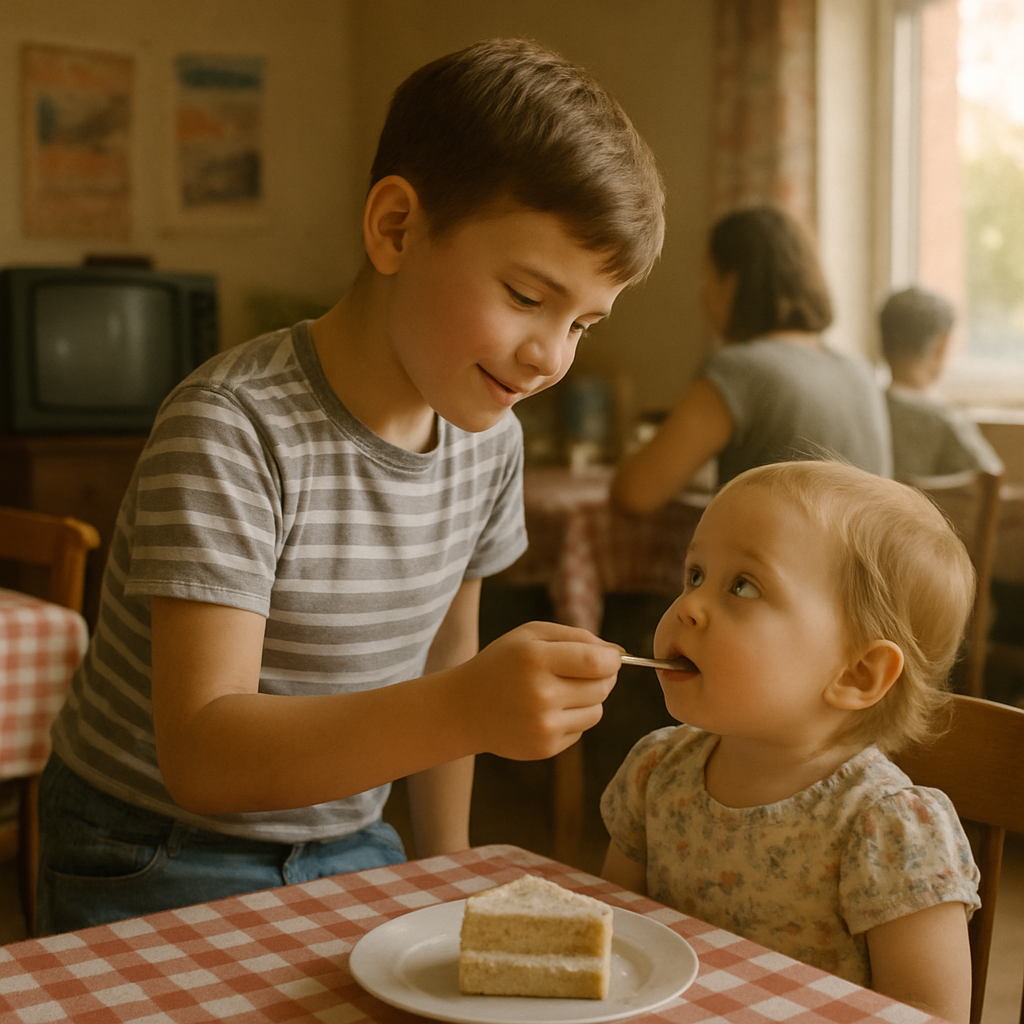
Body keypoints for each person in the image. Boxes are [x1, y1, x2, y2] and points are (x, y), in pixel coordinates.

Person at [36, 38, 666, 935]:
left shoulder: (489, 442)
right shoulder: (231, 427)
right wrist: (467, 706)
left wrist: (454, 875)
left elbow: (451, 659)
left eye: (584, 325)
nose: (551, 357)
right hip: (153, 850)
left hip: (356, 837)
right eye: (528, 296)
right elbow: (204, 756)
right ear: (396, 229)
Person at [601, 460, 979, 1023]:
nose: (688, 607)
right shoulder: (657, 770)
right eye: (696, 574)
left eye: (744, 586)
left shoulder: (888, 828)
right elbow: (610, 941)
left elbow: (929, 1015)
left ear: (856, 675)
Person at [611, 205, 891, 513]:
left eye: (708, 274)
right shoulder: (860, 372)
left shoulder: (741, 370)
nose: (702, 293)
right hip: (855, 560)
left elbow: (634, 493)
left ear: (732, 283)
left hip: (777, 559)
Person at [880, 285, 1003, 479]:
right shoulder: (946, 420)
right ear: (942, 344)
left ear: (882, 344)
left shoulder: (865, 410)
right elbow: (992, 482)